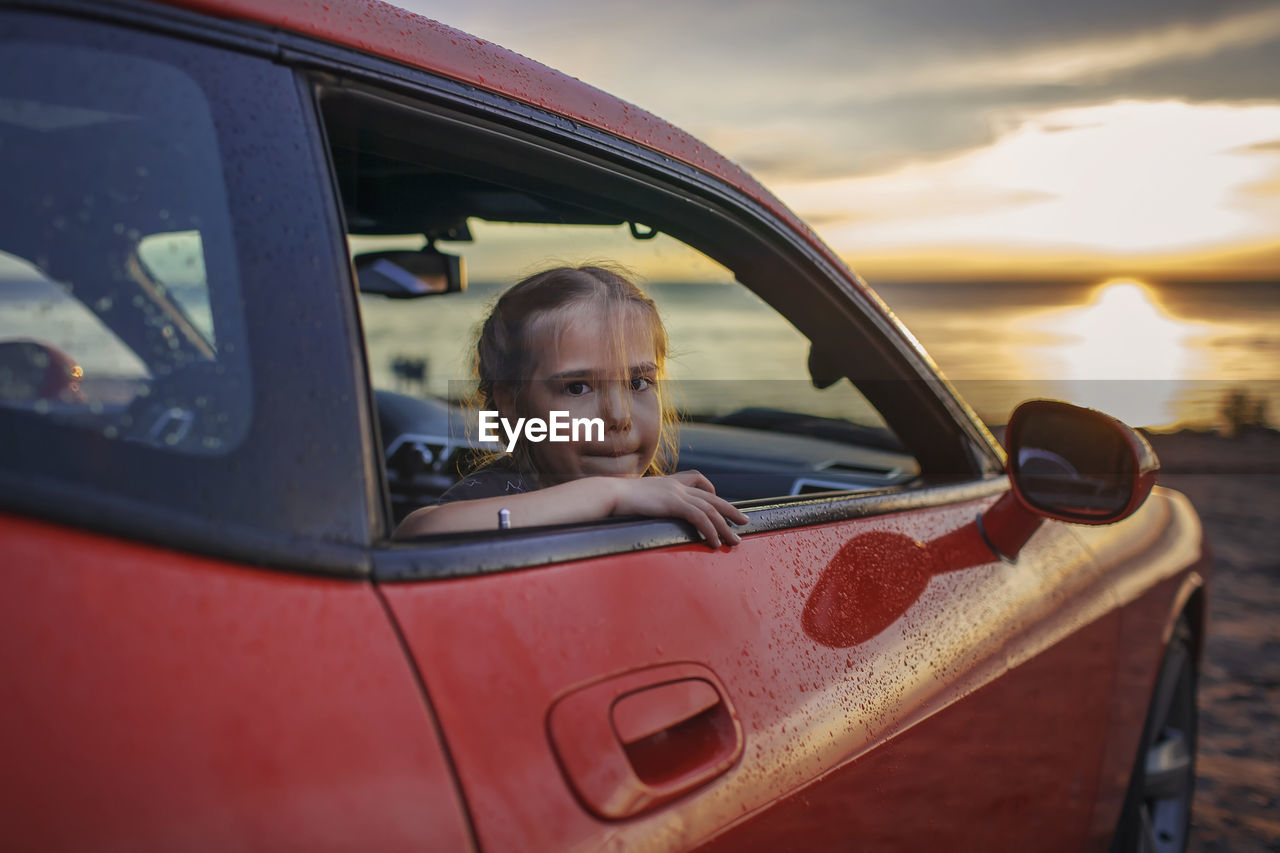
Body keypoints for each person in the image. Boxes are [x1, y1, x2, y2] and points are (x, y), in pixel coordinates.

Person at [393, 265, 748, 547]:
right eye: (577, 388)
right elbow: (420, 531)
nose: (619, 416)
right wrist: (606, 495)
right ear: (512, 404)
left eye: (638, 383)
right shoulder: (501, 491)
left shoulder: (658, 496)